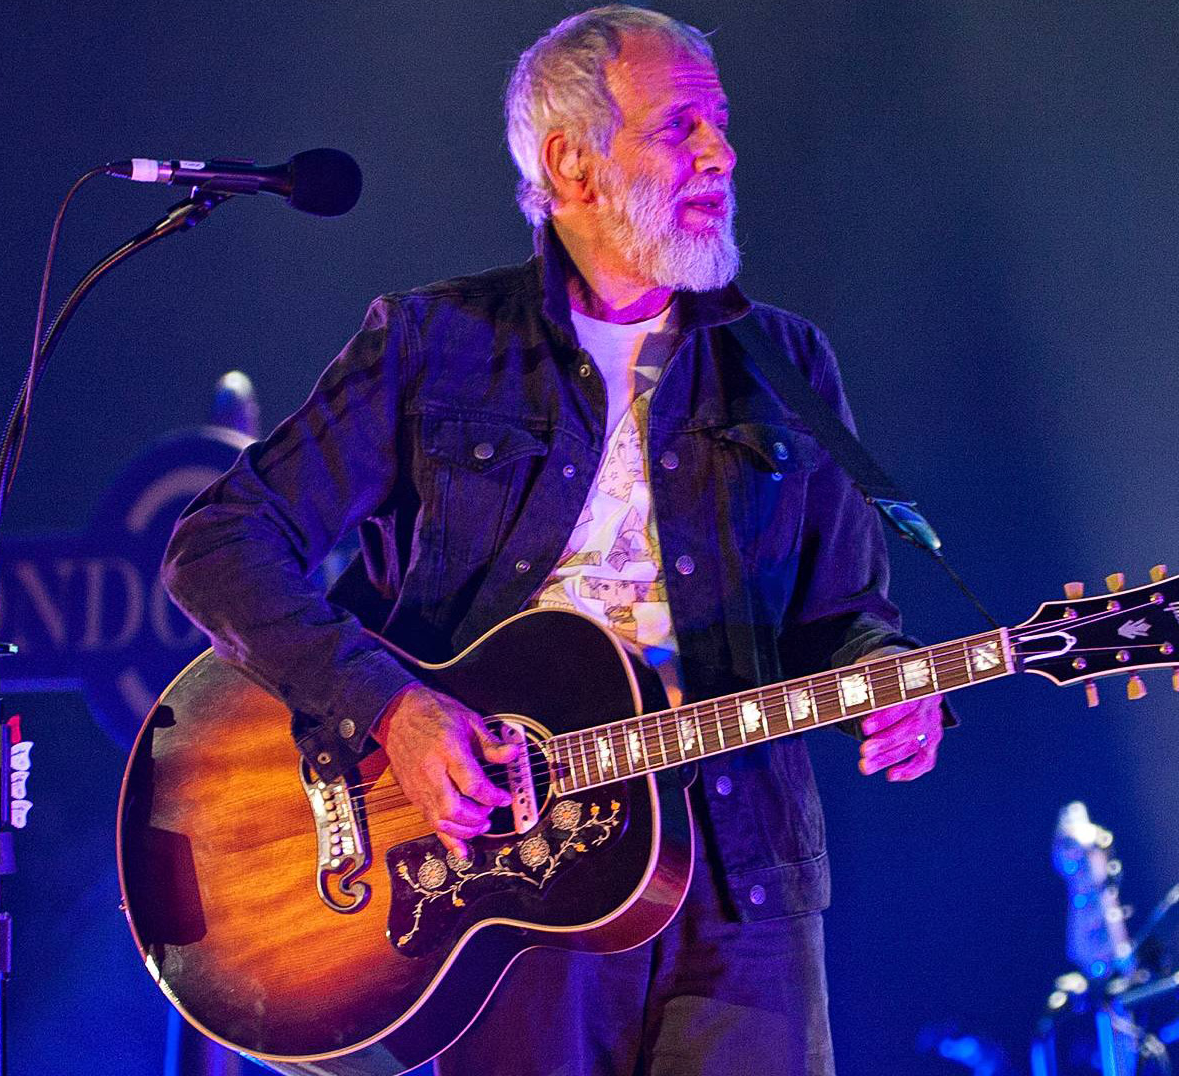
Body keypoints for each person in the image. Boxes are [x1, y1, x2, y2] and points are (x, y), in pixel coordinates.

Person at [161, 6, 947, 1073]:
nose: (719, 152)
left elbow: (847, 615)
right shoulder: (435, 343)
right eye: (678, 127)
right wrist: (392, 710)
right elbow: (218, 546)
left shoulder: (788, 363)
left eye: (719, 122)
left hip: (744, 879)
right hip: (505, 876)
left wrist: (893, 681)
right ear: (572, 163)